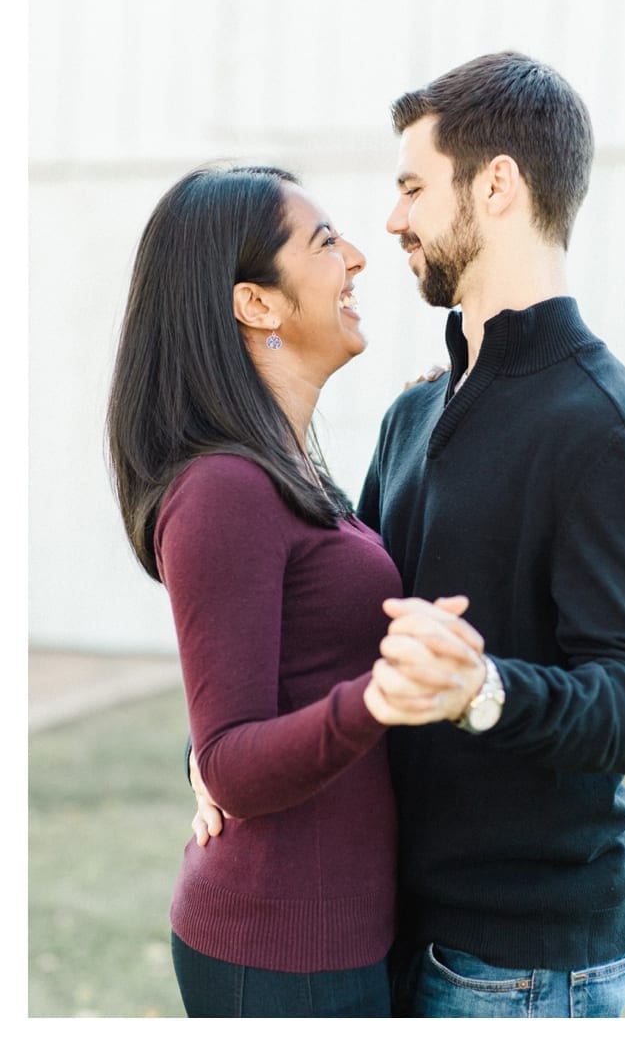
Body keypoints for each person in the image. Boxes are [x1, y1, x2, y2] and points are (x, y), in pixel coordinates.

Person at [195, 53, 625, 1018]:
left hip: (520, 961)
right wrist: (212, 753)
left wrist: (482, 689)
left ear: (496, 185)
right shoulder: (414, 415)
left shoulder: (610, 431)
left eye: (414, 187)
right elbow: (333, 632)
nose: (392, 220)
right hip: (394, 920)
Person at [106, 165, 488, 1017]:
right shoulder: (223, 487)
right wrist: (381, 698)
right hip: (278, 957)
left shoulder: (286, 470)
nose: (357, 256)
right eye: (324, 242)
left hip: (339, 940)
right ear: (258, 305)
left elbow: (272, 678)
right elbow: (232, 761)